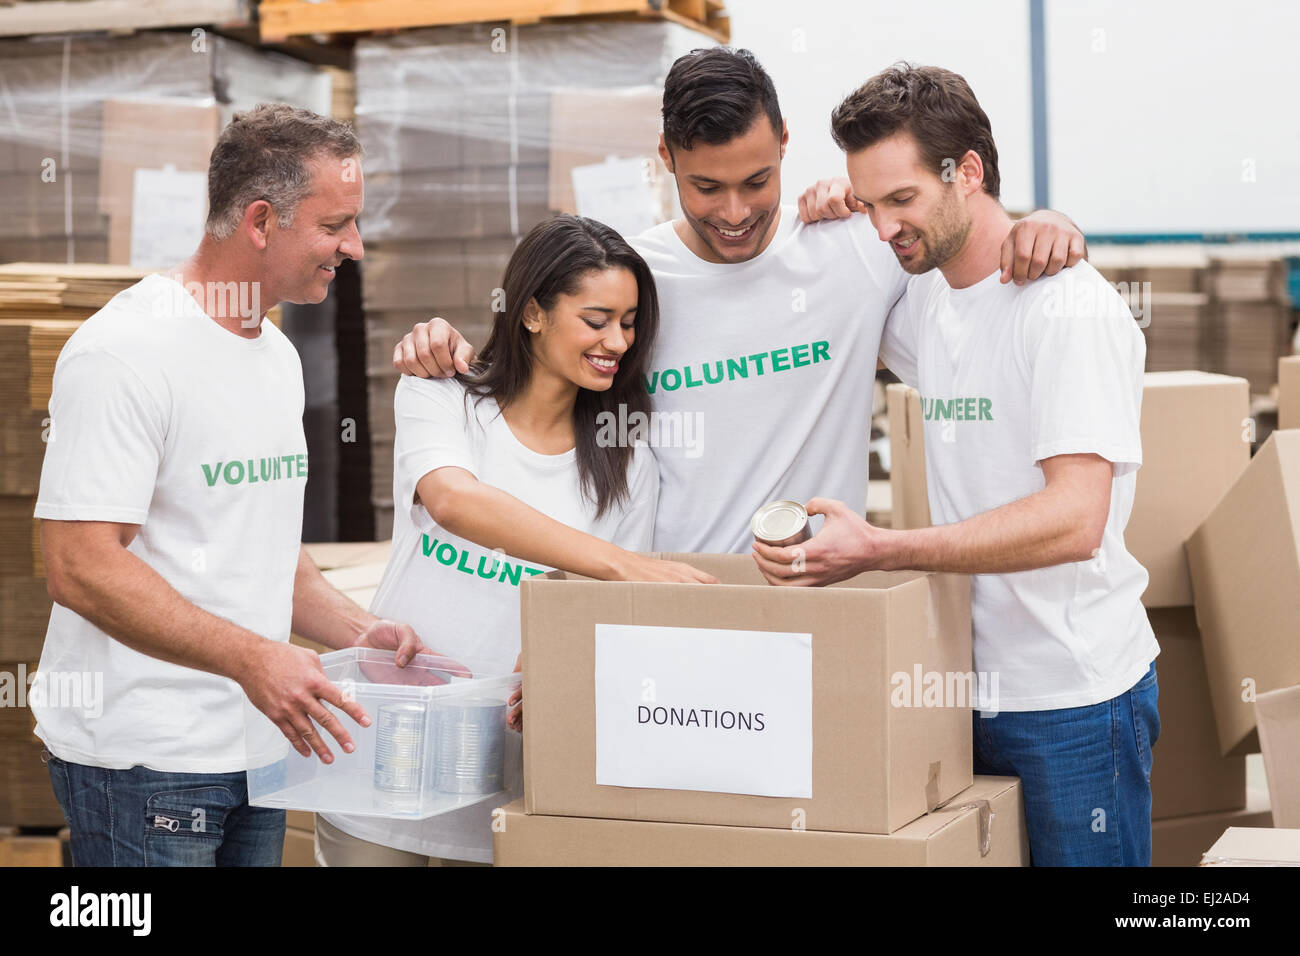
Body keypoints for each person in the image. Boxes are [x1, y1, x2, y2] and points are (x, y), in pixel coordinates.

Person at [391, 47, 1087, 554]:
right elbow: (535, 376)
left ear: (786, 144)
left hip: (814, 601)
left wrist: (1050, 223)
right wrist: (449, 356)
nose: (734, 212)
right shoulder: (634, 281)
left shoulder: (856, 249)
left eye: (757, 181)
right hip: (671, 601)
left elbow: (965, 278)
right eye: (705, 187)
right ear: (664, 157)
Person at [753, 64, 1159, 867]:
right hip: (966, 689)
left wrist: (881, 548)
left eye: (900, 201)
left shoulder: (1067, 309)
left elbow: (1076, 519)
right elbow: (820, 323)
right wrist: (820, 212)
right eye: (870, 204)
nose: (881, 228)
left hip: (1073, 698)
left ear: (966, 172)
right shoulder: (929, 301)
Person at [34, 104, 435, 867]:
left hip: (256, 749)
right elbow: (79, 565)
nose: (353, 246)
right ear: (260, 220)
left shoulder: (275, 355)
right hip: (144, 766)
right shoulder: (125, 351)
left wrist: (356, 633)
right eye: (336, 225)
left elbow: (263, 548)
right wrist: (253, 659)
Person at [315, 215, 713, 867]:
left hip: (501, 787)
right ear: (531, 313)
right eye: (596, 319)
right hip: (385, 770)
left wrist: (547, 668)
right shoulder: (442, 394)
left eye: (630, 320)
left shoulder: (624, 458)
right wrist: (625, 566)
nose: (618, 339)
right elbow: (453, 501)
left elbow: (588, 613)